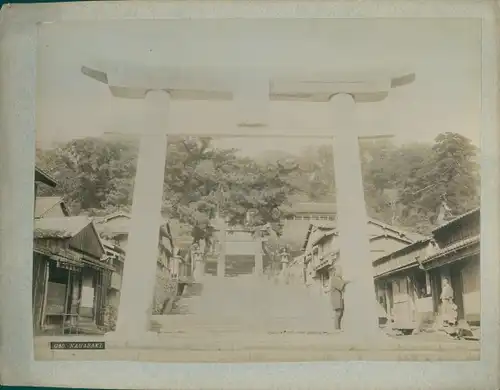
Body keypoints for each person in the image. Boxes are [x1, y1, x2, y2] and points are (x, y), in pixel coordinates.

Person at [326, 266, 348, 330]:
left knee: (339, 313)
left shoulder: (335, 278)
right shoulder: (334, 279)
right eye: (339, 271)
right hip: (336, 298)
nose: (341, 272)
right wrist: (347, 282)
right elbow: (341, 286)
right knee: (338, 313)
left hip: (336, 298)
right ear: (335, 272)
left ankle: (337, 328)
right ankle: (337, 328)